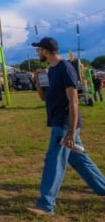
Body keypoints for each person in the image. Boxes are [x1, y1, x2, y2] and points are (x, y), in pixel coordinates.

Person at [27, 37, 105, 216]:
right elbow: (44, 98)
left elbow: (74, 100)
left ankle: (46, 205)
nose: (37, 53)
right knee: (79, 159)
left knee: (54, 161)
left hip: (64, 124)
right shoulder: (52, 71)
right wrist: (37, 80)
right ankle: (102, 187)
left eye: (38, 50)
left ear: (46, 51)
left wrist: (70, 131)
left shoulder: (65, 68)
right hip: (59, 122)